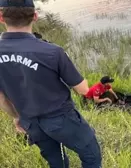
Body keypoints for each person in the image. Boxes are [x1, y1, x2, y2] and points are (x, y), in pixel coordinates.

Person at [0, 1, 102, 168]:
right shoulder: (52, 51)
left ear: (1, 17)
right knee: (91, 154)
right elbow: (83, 89)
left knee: (56, 162)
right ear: (35, 16)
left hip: (30, 122)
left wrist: (18, 117)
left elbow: (2, 97)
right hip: (61, 119)